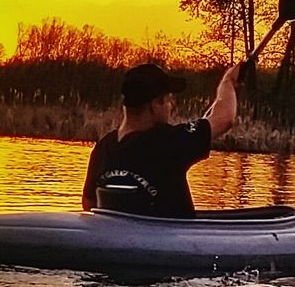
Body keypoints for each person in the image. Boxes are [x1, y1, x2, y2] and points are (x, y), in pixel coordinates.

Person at [81, 59, 240, 217]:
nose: (171, 105)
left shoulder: (104, 147)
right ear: (155, 104)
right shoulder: (168, 142)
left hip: (123, 239)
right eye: (168, 100)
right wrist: (228, 81)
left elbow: (89, 203)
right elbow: (224, 118)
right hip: (172, 240)